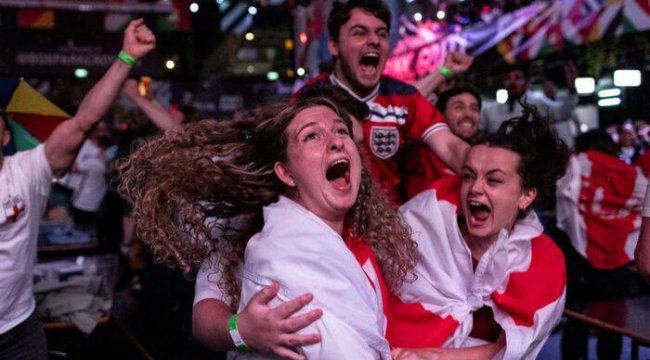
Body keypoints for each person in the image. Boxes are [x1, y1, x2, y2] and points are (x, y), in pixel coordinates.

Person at [117, 97, 418, 358]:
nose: (339, 142)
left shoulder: (372, 229)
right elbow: (204, 317)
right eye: (313, 136)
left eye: (344, 133)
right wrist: (241, 331)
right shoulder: (269, 243)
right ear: (285, 171)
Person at [0, 19, 155, 359]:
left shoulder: (25, 171)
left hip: (17, 330)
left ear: (6, 135)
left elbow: (83, 121)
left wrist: (126, 58)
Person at [394, 103, 569, 359]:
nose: (475, 188)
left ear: (526, 195)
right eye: (468, 176)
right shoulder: (425, 221)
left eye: (494, 180)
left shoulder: (542, 262)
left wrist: (429, 357)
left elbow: (505, 350)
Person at [295, 0, 469, 204]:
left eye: (382, 33)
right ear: (334, 46)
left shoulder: (405, 97)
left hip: (389, 223)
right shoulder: (309, 99)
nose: (374, 41)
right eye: (360, 33)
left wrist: (486, 165)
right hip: (326, 223)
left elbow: (450, 147)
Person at [556, 129, 649, 359]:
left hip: (578, 257)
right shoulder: (630, 171)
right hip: (617, 259)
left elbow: (561, 200)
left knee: (577, 319)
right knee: (614, 323)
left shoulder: (574, 164)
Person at [403, 86, 482, 199]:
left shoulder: (484, 156)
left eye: (474, 108)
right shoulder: (419, 153)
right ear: (440, 114)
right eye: (459, 107)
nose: (468, 114)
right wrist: (445, 71)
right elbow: (405, 102)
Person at [480, 63, 578, 139]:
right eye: (508, 78)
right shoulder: (491, 109)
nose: (512, 82)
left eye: (518, 78)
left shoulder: (537, 104)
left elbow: (563, 112)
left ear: (527, 83)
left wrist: (572, 88)